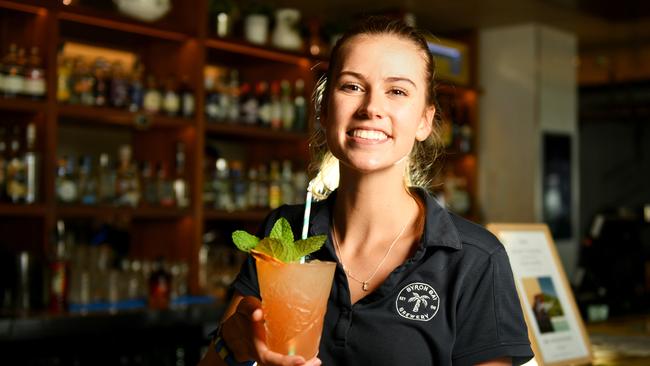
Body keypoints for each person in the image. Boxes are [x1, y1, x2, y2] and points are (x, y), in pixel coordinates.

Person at [200, 16, 534, 366]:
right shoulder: (284, 232)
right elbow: (218, 357)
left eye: (397, 91)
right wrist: (233, 345)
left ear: (424, 120)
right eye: (352, 86)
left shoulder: (474, 258)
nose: (371, 108)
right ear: (324, 110)